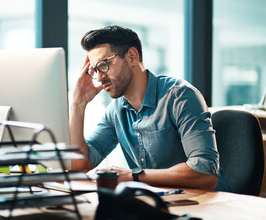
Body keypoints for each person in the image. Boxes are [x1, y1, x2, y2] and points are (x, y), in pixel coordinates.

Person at [69, 25, 229, 190]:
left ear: (132, 56)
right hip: (161, 204)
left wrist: (134, 176)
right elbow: (80, 166)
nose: (100, 78)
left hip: (208, 204)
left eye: (103, 65)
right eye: (95, 70)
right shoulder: (115, 111)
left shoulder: (179, 97)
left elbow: (205, 172)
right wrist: (77, 105)